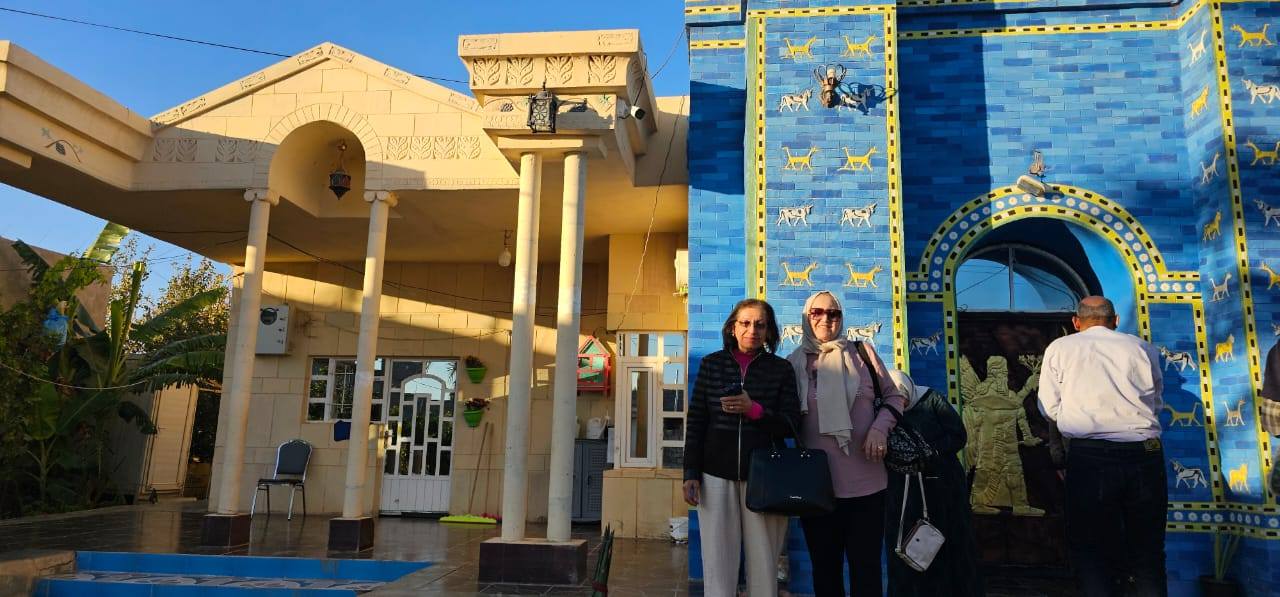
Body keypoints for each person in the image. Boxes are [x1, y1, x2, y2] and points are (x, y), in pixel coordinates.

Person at [1037, 296, 1166, 597]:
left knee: (1090, 550)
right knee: (1147, 551)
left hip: (1090, 456)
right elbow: (1156, 401)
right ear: (1116, 321)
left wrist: (1076, 421)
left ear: (1076, 322)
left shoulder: (1061, 348)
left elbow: (1048, 407)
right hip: (1144, 454)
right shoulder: (1142, 348)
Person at [784, 290, 907, 597]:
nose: (826, 319)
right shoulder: (793, 364)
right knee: (825, 572)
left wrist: (879, 428)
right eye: (817, 313)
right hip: (817, 487)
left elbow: (894, 396)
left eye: (833, 313)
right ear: (806, 317)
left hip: (867, 485)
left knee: (866, 570)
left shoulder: (862, 354)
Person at [684, 298, 802, 597]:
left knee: (764, 563)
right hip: (715, 475)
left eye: (760, 325)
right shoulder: (712, 364)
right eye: (745, 323)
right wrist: (690, 472)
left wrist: (754, 411)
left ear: (769, 331)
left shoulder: (781, 369)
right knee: (718, 562)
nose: (753, 330)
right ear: (732, 328)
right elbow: (697, 421)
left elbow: (791, 424)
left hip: (765, 477)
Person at [883, 369, 983, 597]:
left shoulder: (931, 399)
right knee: (908, 546)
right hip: (904, 491)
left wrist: (931, 452)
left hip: (944, 486)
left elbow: (958, 435)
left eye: (903, 396)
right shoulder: (883, 411)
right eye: (896, 398)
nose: (902, 403)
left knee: (949, 542)